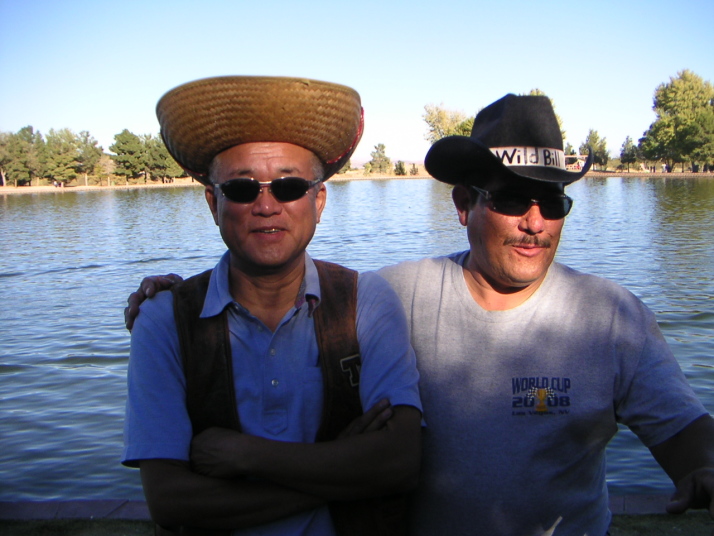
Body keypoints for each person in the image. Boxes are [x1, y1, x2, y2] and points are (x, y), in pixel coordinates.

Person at [126, 94, 714, 535]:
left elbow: (684, 435)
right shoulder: (394, 296)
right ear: (463, 205)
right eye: (511, 199)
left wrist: (702, 470)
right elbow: (285, 285)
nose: (535, 222)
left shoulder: (612, 317)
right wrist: (175, 305)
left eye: (553, 201)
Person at [122, 76, 422, 536]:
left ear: (318, 201)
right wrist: (346, 473)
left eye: (289, 186)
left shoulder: (367, 301)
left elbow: (400, 461)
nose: (266, 206)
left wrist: (248, 456)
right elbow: (170, 500)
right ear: (213, 203)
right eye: (243, 189)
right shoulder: (163, 321)